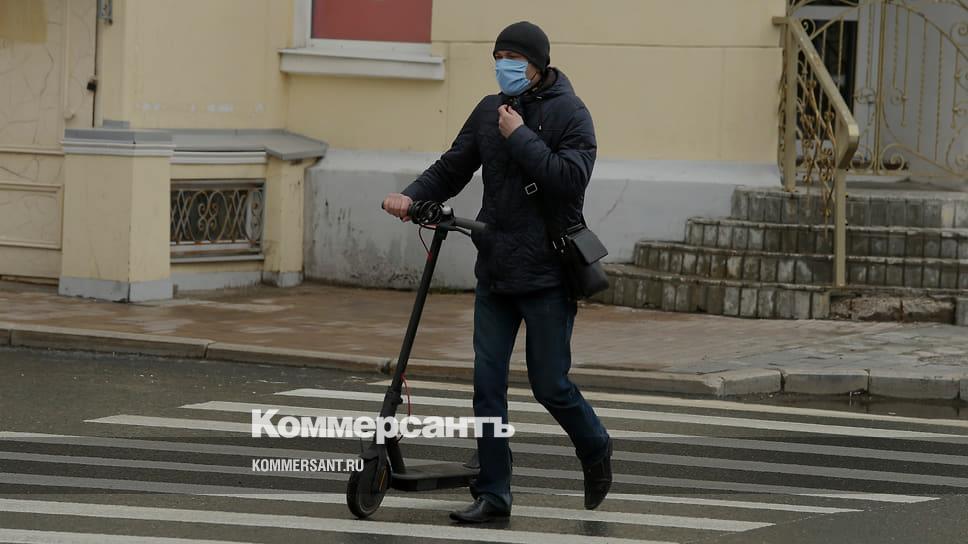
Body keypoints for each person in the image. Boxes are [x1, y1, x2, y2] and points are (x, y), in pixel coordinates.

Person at [382, 20, 612, 523]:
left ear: (537, 65)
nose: (503, 66)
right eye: (498, 57)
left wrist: (521, 136)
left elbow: (569, 181)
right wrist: (411, 196)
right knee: (487, 387)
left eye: (513, 58)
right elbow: (452, 167)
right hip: (495, 269)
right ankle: (494, 492)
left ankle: (595, 446)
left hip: (548, 275)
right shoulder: (489, 111)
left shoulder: (572, 114)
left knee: (550, 385)